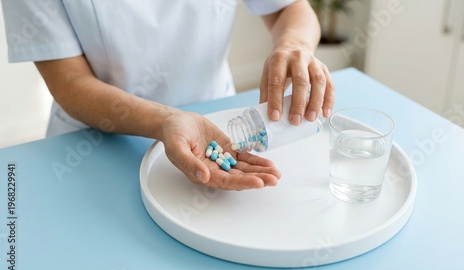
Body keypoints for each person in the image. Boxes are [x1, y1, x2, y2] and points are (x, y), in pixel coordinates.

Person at [1, 0, 335, 190]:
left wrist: (295, 44)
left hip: (216, 122)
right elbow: (69, 81)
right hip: (93, 143)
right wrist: (166, 121)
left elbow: (288, 8)